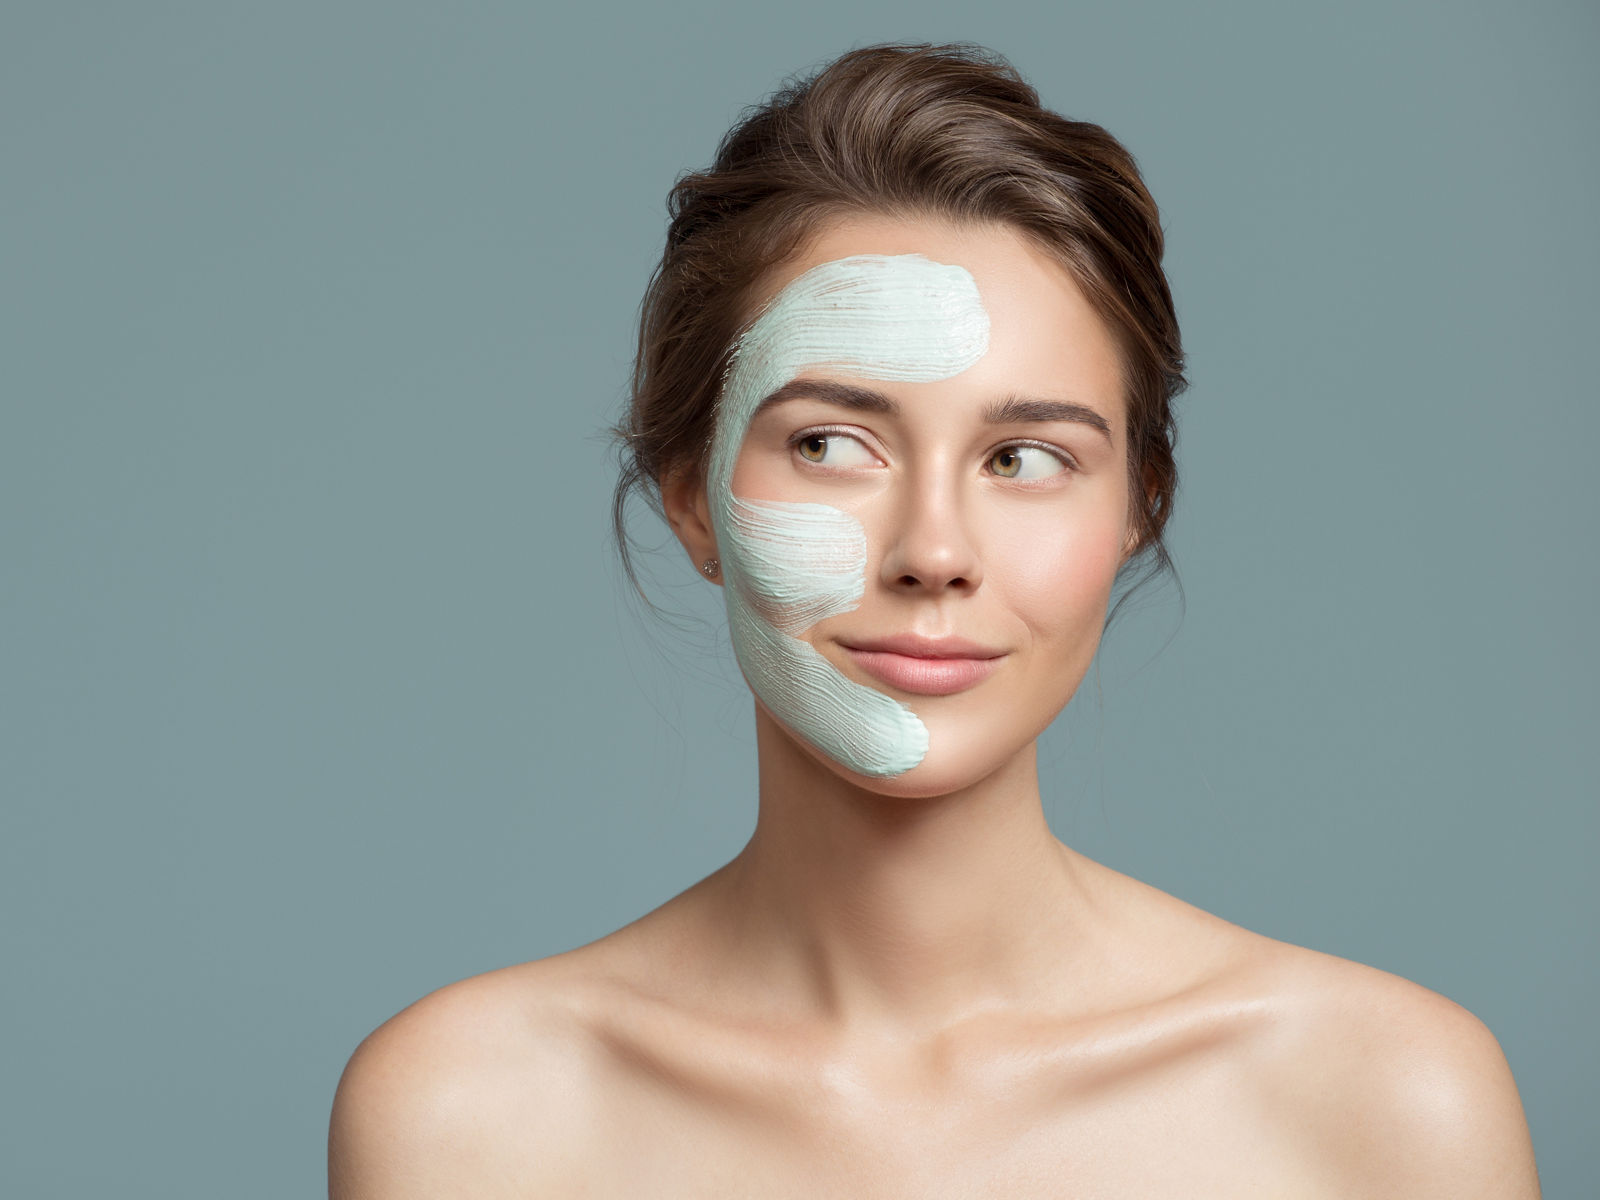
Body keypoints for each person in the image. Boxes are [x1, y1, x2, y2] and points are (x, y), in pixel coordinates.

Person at [328, 42, 1540, 1196]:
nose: (935, 554)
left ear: (1137, 507)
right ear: (689, 494)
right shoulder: (472, 1116)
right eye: (832, 444)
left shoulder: (1385, 1105)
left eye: (1023, 457)